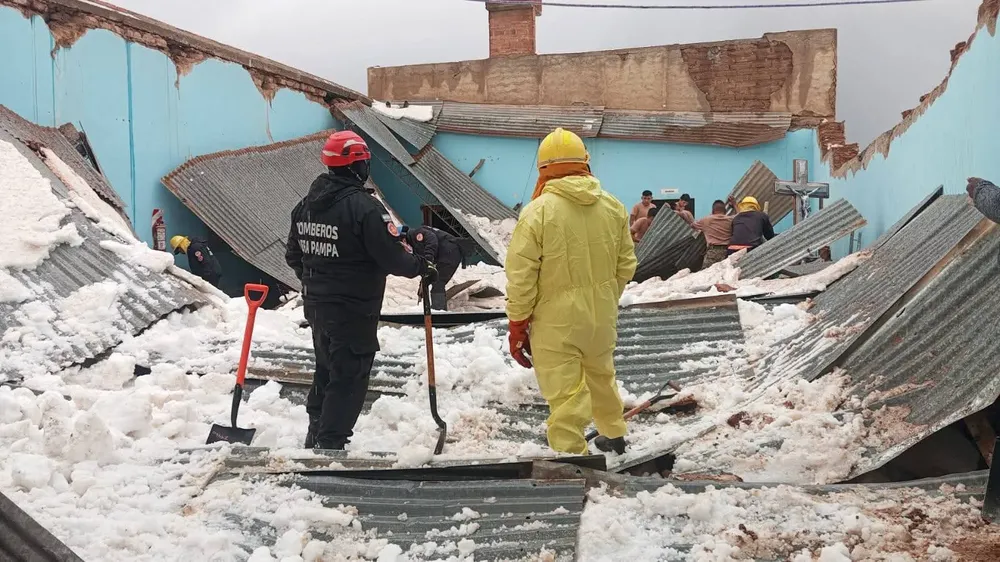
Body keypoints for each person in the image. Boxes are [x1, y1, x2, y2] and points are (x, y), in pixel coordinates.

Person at [285, 130, 436, 451]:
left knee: (327, 369)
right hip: (353, 310)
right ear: (357, 166)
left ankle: (316, 432)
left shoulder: (306, 205)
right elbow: (393, 259)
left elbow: (293, 256)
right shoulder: (365, 208)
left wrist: (319, 283)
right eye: (365, 162)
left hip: (317, 307)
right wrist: (422, 265)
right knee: (349, 376)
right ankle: (329, 445)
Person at [505, 127, 638, 456]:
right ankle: (614, 434)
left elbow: (521, 276)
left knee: (566, 392)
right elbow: (626, 264)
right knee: (601, 376)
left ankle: (572, 457)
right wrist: (605, 296)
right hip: (601, 317)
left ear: (544, 168)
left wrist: (518, 323)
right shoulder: (613, 206)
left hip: (556, 323)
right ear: (584, 163)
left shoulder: (538, 212)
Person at [400, 224, 465, 311]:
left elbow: (431, 239)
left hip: (450, 252)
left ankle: (439, 311)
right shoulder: (414, 244)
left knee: (438, 282)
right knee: (431, 279)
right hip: (447, 254)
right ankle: (431, 309)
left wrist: (428, 259)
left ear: (403, 239)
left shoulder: (416, 234)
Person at [692, 200, 733, 267]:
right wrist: (735, 205)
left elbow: (693, 225)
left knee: (707, 272)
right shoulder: (731, 219)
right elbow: (740, 216)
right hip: (727, 252)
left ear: (713, 211)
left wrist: (710, 216)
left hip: (712, 252)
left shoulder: (706, 220)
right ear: (725, 211)